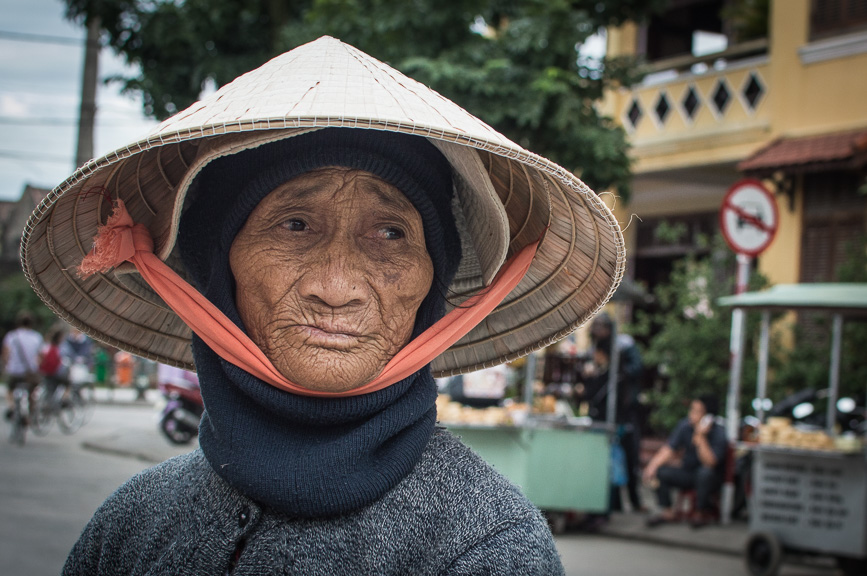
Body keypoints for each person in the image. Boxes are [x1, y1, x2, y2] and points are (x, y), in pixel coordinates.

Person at [21, 37, 625, 574]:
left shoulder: (487, 548)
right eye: (295, 224)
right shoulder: (132, 528)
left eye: (390, 233)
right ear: (217, 269)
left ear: (431, 281)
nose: (337, 287)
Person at [643, 394, 728, 528]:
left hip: (710, 478)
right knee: (661, 472)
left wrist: (701, 437)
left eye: (697, 411)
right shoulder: (685, 426)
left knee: (705, 473)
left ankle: (700, 512)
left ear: (708, 416)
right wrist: (652, 466)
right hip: (688, 473)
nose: (691, 414)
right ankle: (667, 511)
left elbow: (710, 462)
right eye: (691, 410)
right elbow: (669, 449)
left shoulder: (718, 432)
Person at [2, 311, 44, 420]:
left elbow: (5, 354)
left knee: (9, 390)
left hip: (14, 371)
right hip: (29, 372)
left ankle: (11, 407)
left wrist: (7, 365)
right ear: (31, 323)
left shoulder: (11, 336)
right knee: (32, 390)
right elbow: (40, 357)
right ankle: (30, 413)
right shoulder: (36, 337)